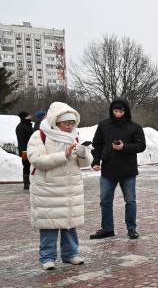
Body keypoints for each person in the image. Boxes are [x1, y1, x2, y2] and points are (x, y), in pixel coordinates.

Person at [27, 102, 93, 270]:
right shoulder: (39, 136)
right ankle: (47, 257)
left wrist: (83, 154)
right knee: (49, 224)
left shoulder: (75, 136)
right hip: (48, 189)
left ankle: (71, 253)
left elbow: (85, 163)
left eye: (72, 123)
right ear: (56, 121)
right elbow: (37, 160)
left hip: (70, 187)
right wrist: (64, 154)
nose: (70, 126)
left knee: (69, 223)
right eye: (66, 123)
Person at [90, 98, 146, 240]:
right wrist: (96, 161)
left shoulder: (135, 127)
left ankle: (131, 229)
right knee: (105, 200)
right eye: (116, 110)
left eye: (121, 111)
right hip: (108, 170)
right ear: (112, 111)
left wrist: (124, 147)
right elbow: (97, 145)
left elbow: (141, 146)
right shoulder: (103, 125)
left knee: (130, 201)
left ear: (125, 111)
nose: (118, 113)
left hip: (128, 171)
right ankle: (107, 228)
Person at [15, 111, 33, 190]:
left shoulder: (28, 126)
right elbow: (22, 141)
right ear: (24, 117)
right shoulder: (21, 127)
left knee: (30, 166)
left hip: (31, 149)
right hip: (25, 151)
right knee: (26, 166)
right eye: (28, 116)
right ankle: (26, 183)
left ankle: (31, 182)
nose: (30, 117)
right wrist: (24, 152)